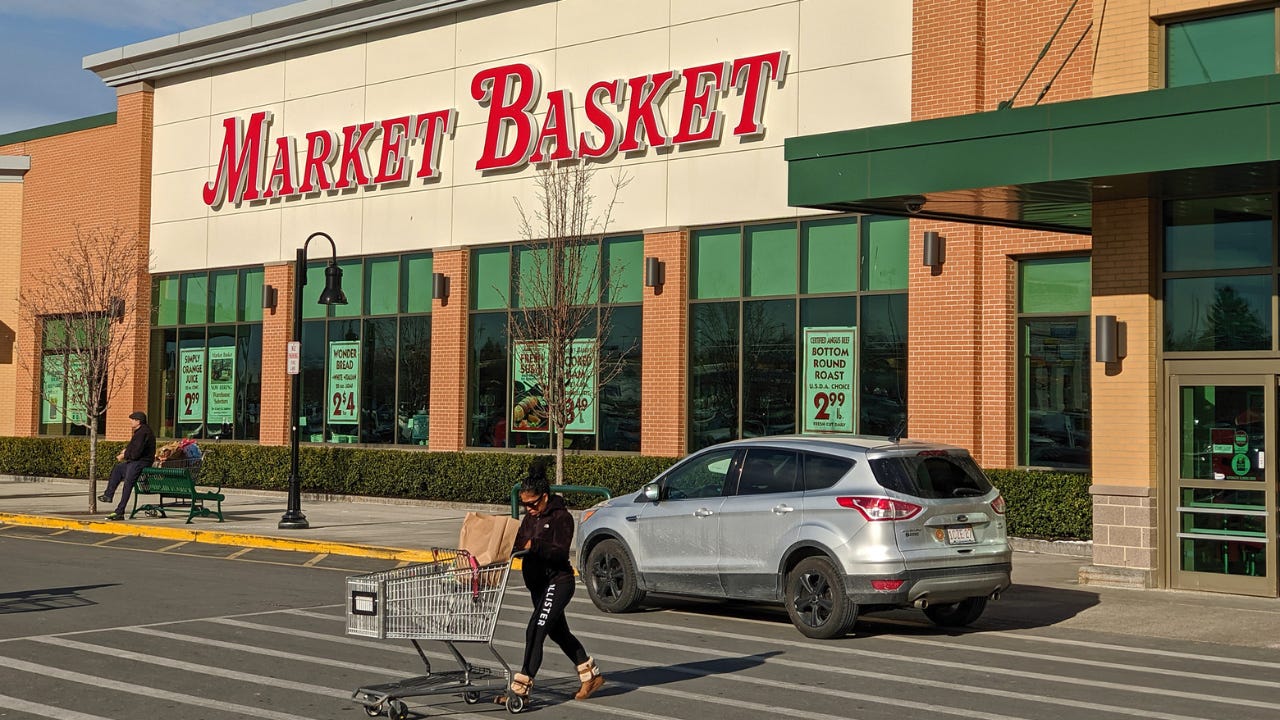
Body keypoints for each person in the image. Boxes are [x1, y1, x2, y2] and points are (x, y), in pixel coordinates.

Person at [504, 457, 604, 705]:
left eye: (533, 503)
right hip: (537, 585)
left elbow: (560, 552)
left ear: (545, 497)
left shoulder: (562, 518)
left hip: (558, 582)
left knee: (536, 630)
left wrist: (535, 545)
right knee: (559, 633)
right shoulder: (530, 519)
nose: (529, 509)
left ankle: (521, 689)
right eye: (525, 504)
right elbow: (519, 543)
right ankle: (590, 674)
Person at [98, 411, 156, 521]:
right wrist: (126, 451)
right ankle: (108, 495)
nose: (131, 422)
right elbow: (133, 447)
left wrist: (125, 455)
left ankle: (120, 511)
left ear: (138, 421)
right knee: (118, 469)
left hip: (140, 462)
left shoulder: (143, 433)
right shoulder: (140, 432)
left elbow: (136, 453)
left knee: (128, 484)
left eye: (132, 420)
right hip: (136, 461)